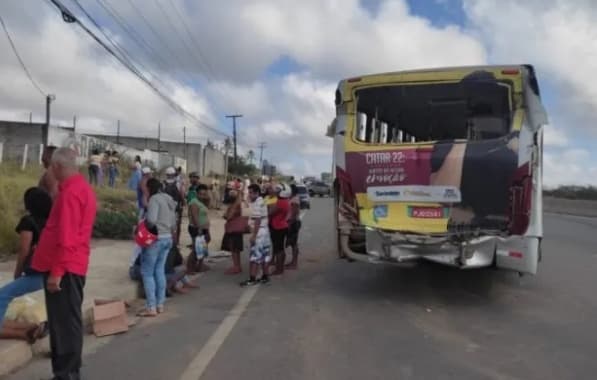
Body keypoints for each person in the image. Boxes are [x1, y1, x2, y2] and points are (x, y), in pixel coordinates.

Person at [31, 147, 97, 380]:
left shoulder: (70, 194)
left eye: (51, 167)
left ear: (57, 167)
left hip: (65, 268)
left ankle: (66, 373)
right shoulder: (79, 189)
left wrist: (56, 273)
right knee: (66, 322)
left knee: (64, 325)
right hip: (70, 265)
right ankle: (67, 371)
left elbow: (67, 237)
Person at [0, 188, 52, 342]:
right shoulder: (51, 221)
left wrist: (18, 272)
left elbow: (24, 250)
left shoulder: (28, 222)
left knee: (3, 296)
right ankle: (31, 329)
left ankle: (21, 333)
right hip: (49, 270)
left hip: (35, 271)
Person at [138, 178, 176, 317]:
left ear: (150, 188)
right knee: (159, 270)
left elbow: (152, 220)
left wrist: (143, 225)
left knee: (147, 273)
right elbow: (173, 222)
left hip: (156, 239)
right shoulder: (169, 199)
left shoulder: (154, 199)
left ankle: (151, 307)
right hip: (167, 238)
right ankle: (160, 304)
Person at [240, 184, 271, 286]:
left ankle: (252, 278)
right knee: (265, 255)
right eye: (249, 192)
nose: (249, 194)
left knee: (254, 256)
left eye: (251, 193)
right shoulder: (262, 201)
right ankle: (265, 276)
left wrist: (254, 235)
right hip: (265, 231)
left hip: (259, 232)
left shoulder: (258, 204)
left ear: (257, 193)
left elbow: (257, 220)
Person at [187, 184, 211, 273]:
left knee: (203, 248)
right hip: (196, 228)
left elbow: (209, 202)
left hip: (204, 228)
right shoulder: (194, 202)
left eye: (204, 194)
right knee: (196, 249)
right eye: (200, 194)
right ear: (197, 193)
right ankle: (190, 268)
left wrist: (207, 229)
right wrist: (199, 229)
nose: (202, 196)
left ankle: (200, 266)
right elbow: (194, 217)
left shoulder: (202, 202)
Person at [269, 183, 291, 275]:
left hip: (277, 227)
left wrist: (269, 204)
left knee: (278, 249)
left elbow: (270, 212)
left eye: (278, 190)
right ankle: (280, 267)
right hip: (282, 226)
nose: (275, 191)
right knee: (280, 249)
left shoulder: (280, 202)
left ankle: (279, 269)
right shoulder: (285, 201)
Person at [222, 189, 244, 275]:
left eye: (233, 193)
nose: (230, 194)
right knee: (236, 249)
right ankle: (238, 266)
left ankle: (236, 267)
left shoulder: (235, 205)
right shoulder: (238, 204)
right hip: (236, 228)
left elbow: (228, 217)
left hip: (233, 229)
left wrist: (226, 214)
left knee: (234, 249)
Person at [163, 167, 184, 247]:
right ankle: (176, 242)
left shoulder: (163, 183)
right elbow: (181, 194)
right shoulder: (178, 183)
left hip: (165, 207)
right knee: (176, 225)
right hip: (176, 207)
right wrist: (183, 203)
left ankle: (167, 241)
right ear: (174, 174)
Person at [285, 184, 302, 269]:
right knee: (292, 243)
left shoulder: (295, 200)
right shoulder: (292, 198)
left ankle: (294, 263)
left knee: (293, 243)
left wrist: (289, 224)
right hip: (292, 222)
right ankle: (293, 262)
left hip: (293, 222)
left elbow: (294, 213)